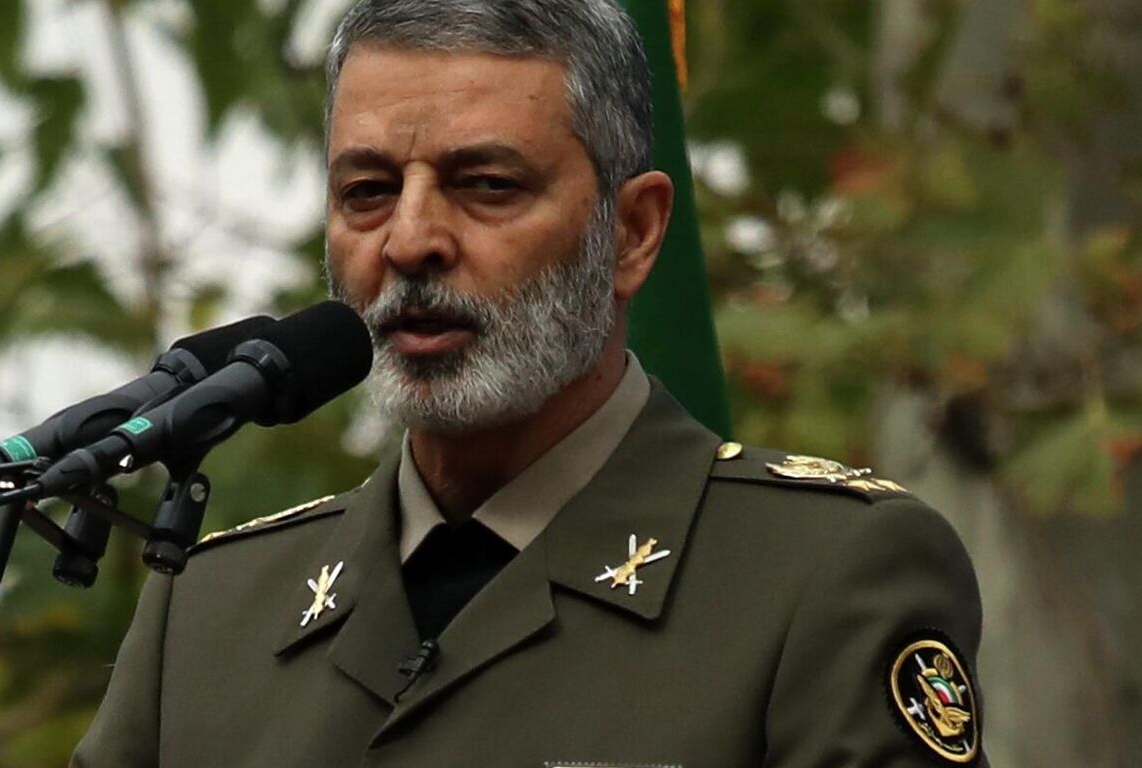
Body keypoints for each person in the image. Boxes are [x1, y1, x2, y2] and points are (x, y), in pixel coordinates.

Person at [72, 0, 985, 765]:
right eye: (367, 191)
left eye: (487, 185)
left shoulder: (819, 577)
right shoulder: (207, 617)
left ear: (631, 234)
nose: (409, 240)